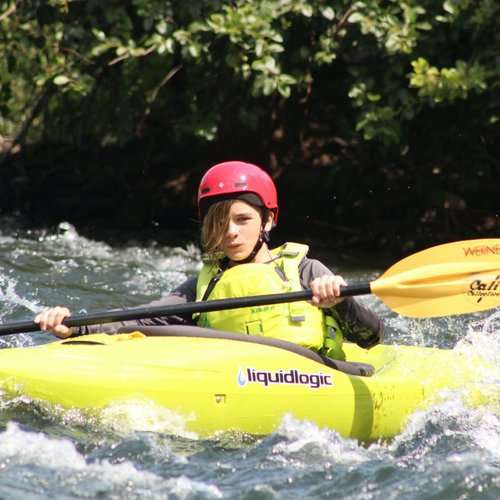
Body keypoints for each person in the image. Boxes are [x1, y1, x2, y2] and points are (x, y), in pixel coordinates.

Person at [35, 161, 383, 360]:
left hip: (310, 376)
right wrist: (74, 327)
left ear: (268, 221)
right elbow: (138, 319)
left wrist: (340, 301)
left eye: (242, 219)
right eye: (219, 222)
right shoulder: (202, 287)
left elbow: (371, 337)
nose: (230, 232)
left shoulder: (306, 271)